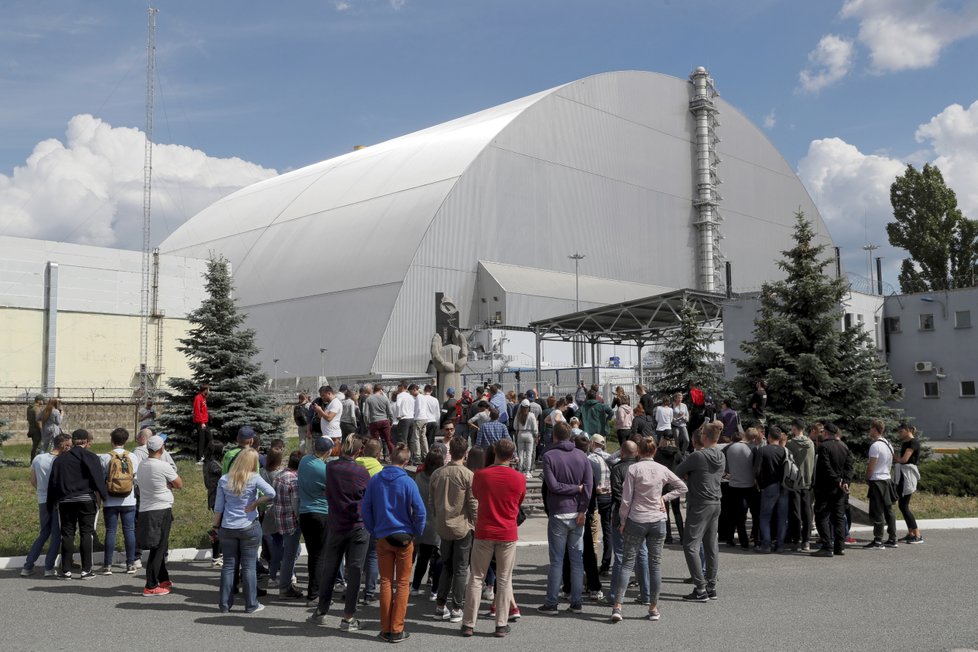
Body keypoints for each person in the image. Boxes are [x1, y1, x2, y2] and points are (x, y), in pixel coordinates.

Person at [609, 436, 687, 623]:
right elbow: (682, 487)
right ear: (653, 451)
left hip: (636, 518)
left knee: (627, 562)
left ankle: (618, 606)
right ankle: (653, 607)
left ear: (639, 452)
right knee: (655, 565)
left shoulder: (634, 469)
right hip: (657, 520)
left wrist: (622, 521)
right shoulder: (662, 469)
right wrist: (664, 498)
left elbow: (626, 499)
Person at [362, 443, 426, 644]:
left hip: (383, 535)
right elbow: (421, 512)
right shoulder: (408, 482)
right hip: (405, 536)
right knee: (403, 583)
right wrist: (416, 532)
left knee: (386, 582)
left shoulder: (375, 480)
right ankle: (397, 628)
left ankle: (386, 627)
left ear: (390, 457)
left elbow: (366, 509)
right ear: (406, 461)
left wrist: (374, 530)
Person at [461, 439, 525, 638]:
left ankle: (468, 623)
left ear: (495, 451)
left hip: (484, 531)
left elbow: (477, 495)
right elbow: (519, 501)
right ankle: (501, 623)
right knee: (504, 579)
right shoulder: (519, 478)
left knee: (476, 578)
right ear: (512, 454)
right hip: (507, 531)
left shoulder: (481, 475)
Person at [309, 434, 371, 630]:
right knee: (354, 572)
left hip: (336, 524)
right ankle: (348, 617)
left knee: (330, 568)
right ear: (360, 451)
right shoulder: (361, 472)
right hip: (357, 526)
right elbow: (367, 497)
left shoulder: (331, 467)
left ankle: (321, 611)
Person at [538, 421, 593, 615]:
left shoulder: (549, 456)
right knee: (576, 560)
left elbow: (552, 486)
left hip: (558, 511)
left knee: (557, 560)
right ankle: (576, 602)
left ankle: (552, 602)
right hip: (577, 512)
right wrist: (582, 509)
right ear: (570, 436)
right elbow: (588, 487)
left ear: (554, 436)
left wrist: (572, 491)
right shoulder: (582, 456)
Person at [214, 448, 275, 613]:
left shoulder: (224, 479)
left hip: (227, 526)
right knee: (248, 566)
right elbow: (271, 493)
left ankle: (225, 605)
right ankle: (251, 604)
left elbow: (218, 507)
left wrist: (215, 527)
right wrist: (255, 503)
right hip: (249, 526)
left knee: (228, 566)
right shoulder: (254, 478)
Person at [47, 428, 107, 581]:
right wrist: (102, 498)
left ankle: (65, 570)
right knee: (86, 533)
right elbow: (97, 479)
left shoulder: (60, 459)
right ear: (87, 441)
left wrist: (51, 503)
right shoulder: (92, 457)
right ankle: (86, 570)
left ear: (72, 441)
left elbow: (53, 483)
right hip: (87, 499)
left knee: (67, 534)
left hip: (66, 501)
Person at [675, 421, 725, 601]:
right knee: (711, 546)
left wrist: (690, 475)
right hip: (715, 502)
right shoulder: (721, 455)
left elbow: (677, 473)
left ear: (704, 437)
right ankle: (711, 586)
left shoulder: (698, 456)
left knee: (690, 545)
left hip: (699, 503)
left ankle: (700, 588)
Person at [430, 436, 477, 623]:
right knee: (460, 569)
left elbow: (431, 501)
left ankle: (440, 605)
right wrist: (476, 523)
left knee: (446, 565)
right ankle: (457, 607)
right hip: (462, 526)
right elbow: (473, 503)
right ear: (465, 453)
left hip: (443, 525)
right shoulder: (468, 475)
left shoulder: (437, 474)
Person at [136, 434, 182, 595]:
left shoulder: (142, 465)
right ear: (161, 449)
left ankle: (163, 577)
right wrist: (167, 484)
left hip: (146, 508)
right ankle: (150, 585)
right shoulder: (163, 466)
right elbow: (179, 484)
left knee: (159, 545)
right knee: (159, 546)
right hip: (161, 509)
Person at [21, 432, 71, 577]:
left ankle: (28, 566)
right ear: (62, 445)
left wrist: (41, 491)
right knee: (56, 535)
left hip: (42, 500)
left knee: (44, 533)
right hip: (56, 501)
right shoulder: (61, 461)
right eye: (68, 444)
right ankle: (49, 568)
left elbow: (33, 480)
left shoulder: (38, 458)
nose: (70, 447)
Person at [608, 440, 650, 605]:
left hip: (622, 515)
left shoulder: (618, 469)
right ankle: (646, 594)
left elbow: (617, 495)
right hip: (642, 514)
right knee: (642, 553)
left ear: (622, 452)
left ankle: (614, 595)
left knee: (620, 555)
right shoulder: (642, 468)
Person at [99, 427, 140, 574]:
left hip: (110, 500)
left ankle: (107, 565)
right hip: (129, 500)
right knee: (129, 530)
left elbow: (102, 478)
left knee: (111, 531)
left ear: (112, 440)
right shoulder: (133, 457)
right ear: (126, 440)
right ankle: (131, 563)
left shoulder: (105, 457)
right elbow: (136, 478)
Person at [298, 436, 332, 604]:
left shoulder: (304, 461)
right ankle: (315, 594)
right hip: (321, 513)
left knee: (313, 554)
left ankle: (314, 590)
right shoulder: (324, 470)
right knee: (321, 555)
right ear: (328, 451)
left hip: (305, 513)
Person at [811, 422, 853, 558]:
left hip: (826, 487)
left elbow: (826, 466)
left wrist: (837, 480)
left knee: (821, 515)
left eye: (823, 432)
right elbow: (849, 467)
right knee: (838, 517)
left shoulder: (824, 447)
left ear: (826, 433)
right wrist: (845, 481)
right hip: (840, 488)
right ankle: (840, 547)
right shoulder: (844, 446)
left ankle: (827, 546)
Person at [268, 450, 304, 598]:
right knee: (290, 555)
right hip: (291, 522)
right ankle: (285, 587)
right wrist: (301, 519)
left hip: (280, 518)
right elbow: (296, 504)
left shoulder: (279, 475)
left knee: (288, 553)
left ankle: (286, 583)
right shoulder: (294, 480)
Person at [411, 446, 445, 598]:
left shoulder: (418, 477)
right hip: (437, 522)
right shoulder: (441, 479)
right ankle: (434, 591)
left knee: (422, 558)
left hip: (422, 522)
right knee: (438, 558)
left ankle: (416, 585)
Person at [864, 419, 898, 550]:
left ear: (874, 429)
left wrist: (867, 477)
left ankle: (878, 540)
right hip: (887, 479)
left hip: (877, 480)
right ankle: (892, 538)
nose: (869, 430)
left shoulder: (875, 446)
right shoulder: (888, 443)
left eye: (870, 428)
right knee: (889, 510)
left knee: (877, 510)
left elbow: (871, 465)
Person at [753, 427, 788, 553]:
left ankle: (766, 545)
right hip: (784, 486)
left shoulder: (762, 450)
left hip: (768, 486)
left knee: (765, 516)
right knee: (782, 517)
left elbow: (756, 470)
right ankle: (780, 545)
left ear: (769, 437)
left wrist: (759, 483)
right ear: (780, 438)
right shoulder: (785, 451)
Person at [785, 418, 816, 552]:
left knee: (795, 511)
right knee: (807, 511)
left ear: (795, 428)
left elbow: (787, 461)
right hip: (808, 481)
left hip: (795, 481)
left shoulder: (791, 443)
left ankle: (796, 539)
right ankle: (806, 540)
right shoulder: (811, 443)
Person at [721, 430, 754, 548]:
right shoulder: (751, 448)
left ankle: (730, 538)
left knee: (733, 514)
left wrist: (725, 474)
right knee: (746, 514)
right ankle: (746, 540)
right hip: (749, 485)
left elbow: (720, 463)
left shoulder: (728, 448)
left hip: (734, 485)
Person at [587, 435, 614, 574]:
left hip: (596, 497)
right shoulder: (610, 458)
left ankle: (592, 563)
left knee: (593, 532)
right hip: (608, 496)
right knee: (607, 530)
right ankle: (606, 564)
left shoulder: (590, 458)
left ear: (592, 443)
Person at [653, 433, 685, 544]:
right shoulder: (677, 453)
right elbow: (683, 465)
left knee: (664, 511)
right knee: (677, 511)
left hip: (663, 484)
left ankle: (668, 537)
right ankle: (682, 536)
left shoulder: (658, 453)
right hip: (674, 484)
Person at [894, 424, 923, 544]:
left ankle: (917, 534)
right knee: (901, 505)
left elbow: (904, 460)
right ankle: (910, 533)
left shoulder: (913, 442)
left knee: (904, 506)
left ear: (909, 430)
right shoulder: (905, 442)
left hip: (908, 475)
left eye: (901, 431)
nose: (900, 434)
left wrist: (893, 457)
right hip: (902, 475)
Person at [202, 441, 225, 568]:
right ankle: (216, 556)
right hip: (217, 498)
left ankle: (219, 553)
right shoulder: (214, 466)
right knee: (218, 528)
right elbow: (225, 476)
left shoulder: (207, 463)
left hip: (213, 498)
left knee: (220, 526)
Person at [364, 384, 396, 460]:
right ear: (381, 390)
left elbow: (366, 414)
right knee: (389, 440)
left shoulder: (368, 399)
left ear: (374, 390)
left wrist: (367, 423)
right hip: (385, 421)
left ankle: (376, 458)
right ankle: (394, 457)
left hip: (374, 421)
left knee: (375, 441)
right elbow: (390, 412)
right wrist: (391, 421)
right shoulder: (385, 399)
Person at [514, 399, 539, 476]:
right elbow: (535, 428)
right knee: (529, 454)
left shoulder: (518, 415)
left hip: (520, 433)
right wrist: (536, 436)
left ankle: (520, 470)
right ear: (529, 407)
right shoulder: (531, 415)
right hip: (529, 434)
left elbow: (515, 426)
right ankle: (528, 471)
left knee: (520, 453)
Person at [394, 383, 417, 449]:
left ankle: (403, 455)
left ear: (402, 387)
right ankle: (411, 456)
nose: (397, 388)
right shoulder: (410, 396)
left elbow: (398, 405)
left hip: (404, 418)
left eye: (398, 386)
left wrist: (398, 415)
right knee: (411, 439)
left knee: (403, 439)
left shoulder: (400, 395)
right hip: (411, 418)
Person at [193, 384, 210, 465]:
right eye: (208, 390)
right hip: (200, 422)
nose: (209, 391)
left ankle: (205, 455)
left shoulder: (203, 398)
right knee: (201, 440)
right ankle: (199, 458)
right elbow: (197, 411)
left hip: (205, 421)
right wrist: (202, 423)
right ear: (205, 390)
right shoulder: (198, 398)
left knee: (209, 438)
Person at [27, 394, 45, 461]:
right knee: (37, 447)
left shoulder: (29, 408)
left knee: (35, 446)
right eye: (42, 400)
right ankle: (34, 461)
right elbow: (38, 421)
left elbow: (28, 418)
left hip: (31, 429)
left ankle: (33, 461)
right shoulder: (36, 409)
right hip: (37, 430)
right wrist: (41, 430)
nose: (43, 402)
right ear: (39, 400)